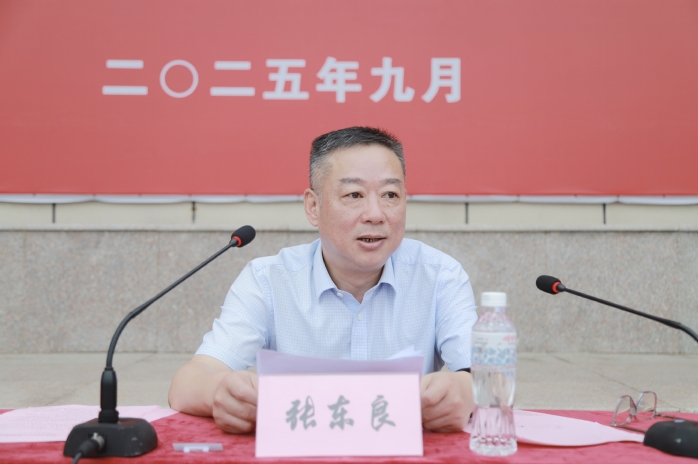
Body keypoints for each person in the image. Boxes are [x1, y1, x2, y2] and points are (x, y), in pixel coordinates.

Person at [169, 126, 478, 434]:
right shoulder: (268, 280)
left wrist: (466, 389)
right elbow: (186, 384)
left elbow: (487, 378)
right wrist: (220, 391)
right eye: (354, 195)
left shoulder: (440, 277)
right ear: (313, 207)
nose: (375, 214)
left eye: (390, 195)